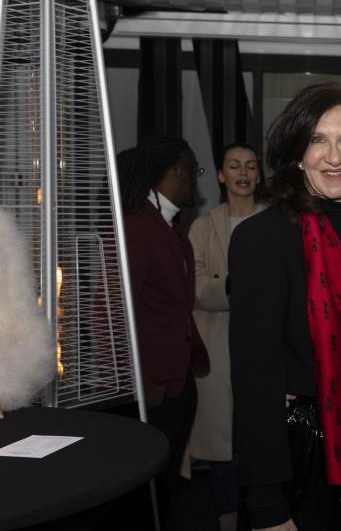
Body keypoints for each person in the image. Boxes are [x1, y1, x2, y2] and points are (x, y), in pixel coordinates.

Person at [228, 83, 341, 531]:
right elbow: (254, 380)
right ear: (296, 153)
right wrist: (267, 504)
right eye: (317, 139)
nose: (334, 156)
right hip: (300, 456)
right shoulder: (261, 239)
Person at [119, 136, 209, 526]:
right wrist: (140, 383)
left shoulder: (168, 226)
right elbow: (112, 313)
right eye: (195, 170)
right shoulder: (138, 227)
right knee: (147, 498)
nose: (197, 180)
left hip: (176, 380)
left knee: (166, 491)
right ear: (177, 171)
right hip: (152, 389)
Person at [182, 142, 267, 530]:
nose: (243, 173)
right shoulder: (202, 227)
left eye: (250, 166)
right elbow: (195, 288)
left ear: (259, 176)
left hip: (264, 346)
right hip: (216, 346)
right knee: (222, 447)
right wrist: (235, 285)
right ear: (220, 175)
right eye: (234, 166)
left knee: (262, 441)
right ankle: (227, 521)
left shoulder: (275, 223)